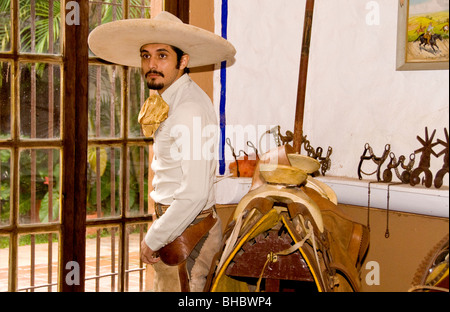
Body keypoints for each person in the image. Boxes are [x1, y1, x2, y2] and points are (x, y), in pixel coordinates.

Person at [88, 11, 236, 291]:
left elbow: (194, 194)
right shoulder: (173, 98)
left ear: (183, 61)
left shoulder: (188, 108)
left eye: (162, 55)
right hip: (180, 225)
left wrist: (153, 238)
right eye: (146, 55)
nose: (151, 64)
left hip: (188, 232)